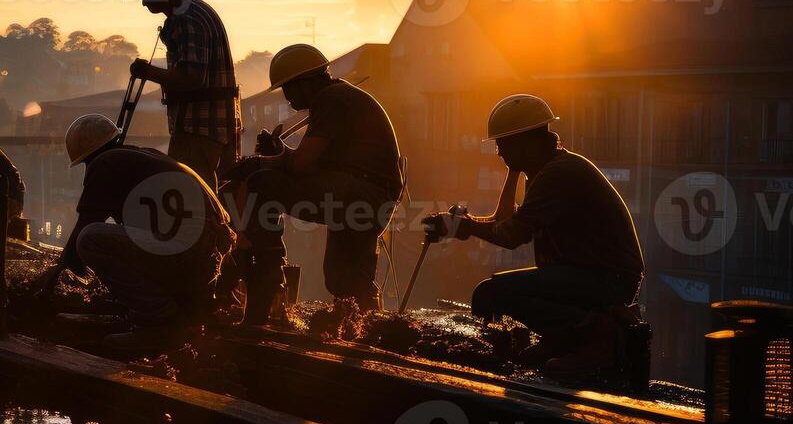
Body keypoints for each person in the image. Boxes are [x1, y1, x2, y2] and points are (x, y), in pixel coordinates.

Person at [425, 94, 645, 376]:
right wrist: (459, 222)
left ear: (524, 142)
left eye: (503, 145)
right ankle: (563, 338)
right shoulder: (545, 171)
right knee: (495, 290)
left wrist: (463, 227)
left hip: (605, 280)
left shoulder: (558, 175)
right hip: (590, 275)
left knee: (493, 292)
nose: (499, 153)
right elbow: (504, 221)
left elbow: (511, 236)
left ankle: (597, 339)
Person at [225, 45, 403, 324]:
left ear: (306, 82)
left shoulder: (330, 99)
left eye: (289, 89)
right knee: (343, 278)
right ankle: (370, 329)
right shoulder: (341, 97)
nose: (287, 97)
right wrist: (278, 153)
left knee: (262, 183)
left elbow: (300, 166)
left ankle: (268, 281)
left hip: (357, 192)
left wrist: (261, 163)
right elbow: (312, 163)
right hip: (369, 194)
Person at [36, 113, 235, 353]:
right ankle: (176, 313)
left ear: (89, 157)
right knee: (120, 240)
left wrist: (50, 281)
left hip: (188, 253)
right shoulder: (146, 158)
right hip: (206, 258)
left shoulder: (105, 163)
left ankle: (156, 321)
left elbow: (85, 227)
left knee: (89, 239)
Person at [124, 0, 241, 189]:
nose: (144, 3)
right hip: (206, 127)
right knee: (199, 196)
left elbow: (191, 78)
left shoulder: (188, 19)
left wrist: (148, 72)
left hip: (199, 128)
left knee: (193, 200)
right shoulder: (194, 12)